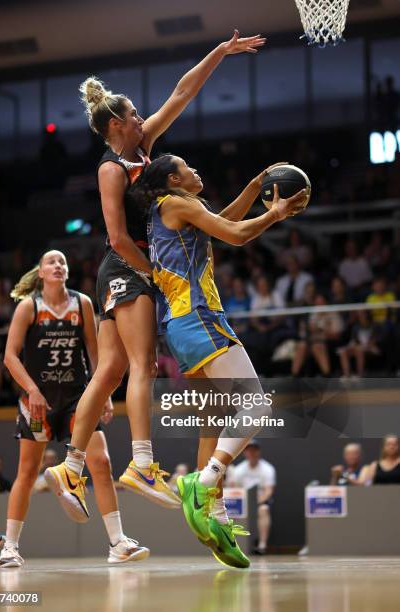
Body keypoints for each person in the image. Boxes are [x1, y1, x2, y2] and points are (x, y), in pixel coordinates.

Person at [46, 30, 268, 516]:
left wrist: (221, 52)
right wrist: (157, 274)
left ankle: (69, 466)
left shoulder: (144, 146)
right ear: (115, 125)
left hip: (132, 270)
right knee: (141, 366)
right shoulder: (109, 169)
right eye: (133, 115)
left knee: (110, 371)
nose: (143, 118)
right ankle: (142, 463)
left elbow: (182, 92)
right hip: (126, 264)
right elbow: (118, 237)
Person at [133, 153, 307, 568]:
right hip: (198, 318)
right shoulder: (178, 204)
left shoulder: (174, 209)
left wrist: (254, 186)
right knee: (258, 403)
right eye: (188, 166)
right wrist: (276, 214)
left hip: (178, 325)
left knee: (213, 417)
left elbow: (221, 223)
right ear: (174, 178)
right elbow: (236, 234)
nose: (197, 169)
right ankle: (205, 479)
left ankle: (212, 515)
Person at [0, 250, 148, 568]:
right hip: (37, 401)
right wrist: (32, 390)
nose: (58, 265)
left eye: (63, 262)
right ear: (40, 272)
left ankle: (118, 542)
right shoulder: (29, 307)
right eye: (51, 262)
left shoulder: (82, 303)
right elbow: (10, 357)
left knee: (102, 464)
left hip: (77, 399)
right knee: (26, 472)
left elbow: (97, 353)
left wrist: (103, 390)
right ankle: (9, 547)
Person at [227, 439, 276, 554]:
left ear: (258, 452)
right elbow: (234, 489)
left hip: (260, 502)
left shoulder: (267, 469)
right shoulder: (239, 470)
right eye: (249, 450)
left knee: (264, 509)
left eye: (254, 450)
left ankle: (262, 545)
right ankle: (232, 544)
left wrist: (256, 503)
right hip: (242, 503)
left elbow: (269, 491)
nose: (252, 453)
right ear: (245, 452)